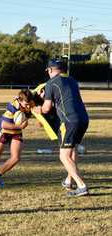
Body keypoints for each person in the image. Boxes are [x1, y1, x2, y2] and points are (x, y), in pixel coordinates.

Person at [34, 59, 89, 197]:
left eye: (48, 71)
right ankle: (69, 180)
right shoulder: (72, 80)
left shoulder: (51, 83)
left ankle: (81, 186)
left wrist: (37, 109)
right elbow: (63, 98)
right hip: (83, 119)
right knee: (72, 149)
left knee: (64, 156)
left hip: (69, 121)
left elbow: (46, 108)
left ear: (51, 70)